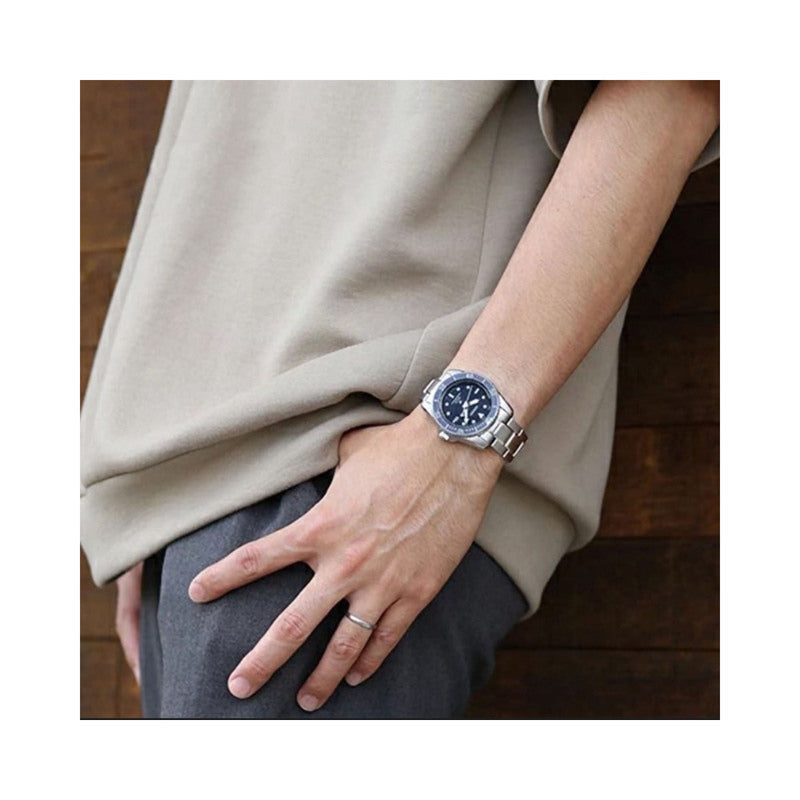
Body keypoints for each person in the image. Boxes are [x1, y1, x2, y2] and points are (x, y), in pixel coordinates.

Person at [81, 80, 720, 718]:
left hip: (356, 458)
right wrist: (154, 475)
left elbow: (671, 86)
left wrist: (454, 450)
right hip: (196, 486)